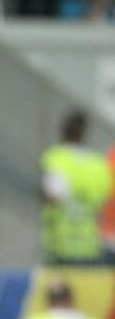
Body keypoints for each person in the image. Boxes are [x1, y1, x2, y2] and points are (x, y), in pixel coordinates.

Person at [41, 111, 113, 266]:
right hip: (91, 244)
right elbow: (105, 198)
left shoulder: (57, 158)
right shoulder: (98, 163)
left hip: (61, 245)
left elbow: (54, 195)